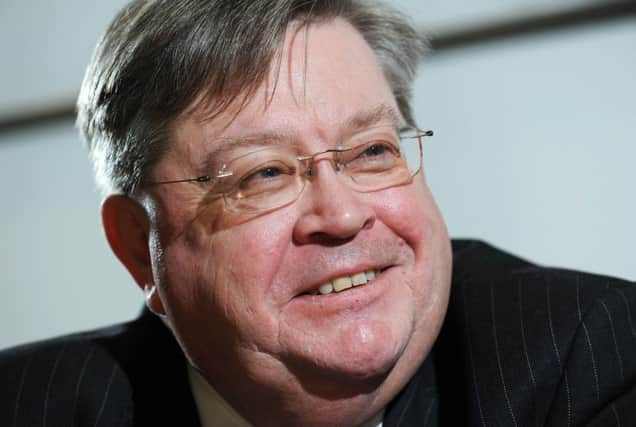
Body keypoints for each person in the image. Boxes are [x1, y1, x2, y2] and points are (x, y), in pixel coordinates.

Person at [1, 0, 634, 426]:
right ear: (140, 247)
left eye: (372, 152)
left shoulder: (588, 357)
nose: (342, 214)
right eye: (265, 173)